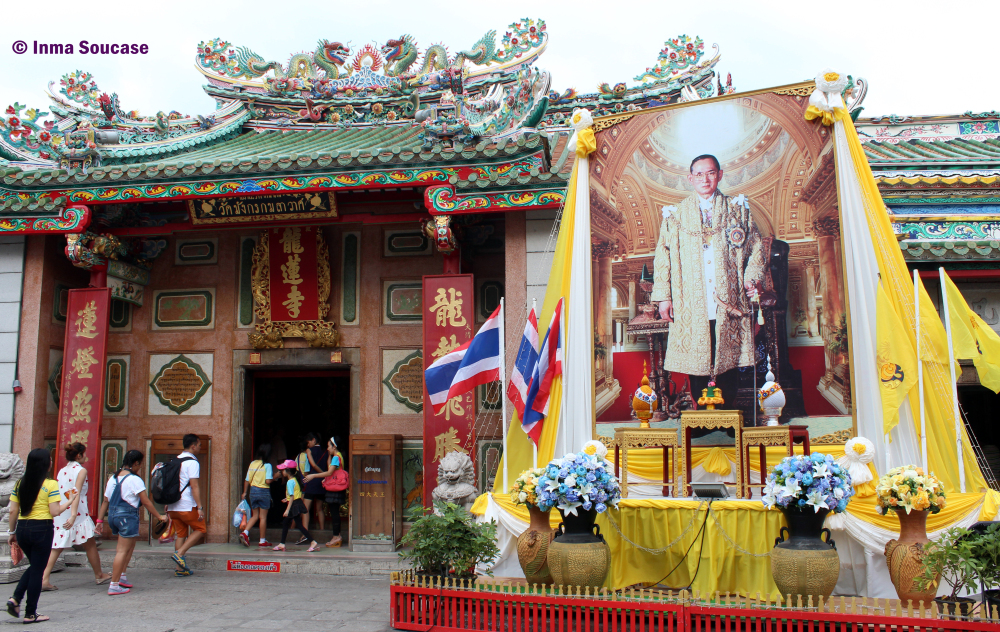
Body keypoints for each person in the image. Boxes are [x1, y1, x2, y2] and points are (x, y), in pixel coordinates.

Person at [651, 153, 765, 400]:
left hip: (729, 298)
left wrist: (751, 279)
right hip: (691, 299)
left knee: (728, 357)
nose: (705, 179)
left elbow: (755, 247)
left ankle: (729, 418)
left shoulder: (738, 210)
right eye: (699, 174)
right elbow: (663, 257)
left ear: (720, 175)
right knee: (699, 359)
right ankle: (701, 421)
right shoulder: (675, 215)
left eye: (711, 173)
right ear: (690, 178)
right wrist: (663, 297)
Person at [6, 448, 74, 623]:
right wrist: (70, 501)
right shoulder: (50, 484)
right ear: (46, 464)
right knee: (37, 570)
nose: (51, 462)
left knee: (35, 566)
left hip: (22, 528)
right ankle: (30, 613)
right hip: (42, 529)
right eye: (49, 459)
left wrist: (12, 532)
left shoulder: (19, 484)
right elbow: (55, 511)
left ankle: (16, 598)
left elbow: (13, 510)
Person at [95, 450, 167, 595]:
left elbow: (105, 501)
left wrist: (99, 520)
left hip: (113, 515)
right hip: (127, 517)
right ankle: (114, 585)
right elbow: (146, 501)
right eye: (139, 464)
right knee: (122, 550)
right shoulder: (134, 479)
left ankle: (122, 576)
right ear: (135, 463)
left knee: (130, 545)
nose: (139, 467)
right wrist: (159, 516)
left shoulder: (113, 478)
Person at [41, 442, 111, 590]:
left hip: (63, 510)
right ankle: (99, 575)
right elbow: (76, 492)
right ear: (79, 455)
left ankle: (44, 578)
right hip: (77, 511)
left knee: (57, 546)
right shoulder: (81, 470)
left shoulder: (62, 470)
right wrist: (73, 515)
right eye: (84, 453)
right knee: (90, 543)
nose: (86, 456)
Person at [166, 434, 206, 576]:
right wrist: (200, 507)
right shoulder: (193, 462)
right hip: (186, 505)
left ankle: (180, 569)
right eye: (199, 445)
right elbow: (194, 486)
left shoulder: (175, 460)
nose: (200, 448)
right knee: (201, 529)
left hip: (173, 506)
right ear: (193, 446)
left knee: (181, 535)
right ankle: (180, 553)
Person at [304, 437, 345, 547]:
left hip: (334, 488)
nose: (327, 448)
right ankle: (336, 536)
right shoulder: (339, 456)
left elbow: (328, 473)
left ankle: (336, 536)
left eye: (328, 446)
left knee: (335, 513)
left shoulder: (336, 457)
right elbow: (330, 470)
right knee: (334, 512)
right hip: (337, 486)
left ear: (334, 446)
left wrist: (313, 475)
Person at [272, 460, 319, 552]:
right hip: (296, 503)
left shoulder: (290, 482)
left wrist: (287, 509)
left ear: (287, 471)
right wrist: (287, 499)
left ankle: (312, 541)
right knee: (290, 523)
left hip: (293, 505)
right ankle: (282, 543)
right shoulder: (295, 480)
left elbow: (292, 496)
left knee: (295, 524)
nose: (281, 472)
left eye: (283, 470)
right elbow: (295, 494)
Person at [239, 444, 273, 548]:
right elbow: (267, 481)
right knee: (262, 517)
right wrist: (275, 477)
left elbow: (247, 480)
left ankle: (245, 533)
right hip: (263, 492)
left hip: (252, 491)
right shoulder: (267, 465)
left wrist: (245, 492)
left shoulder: (252, 463)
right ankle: (262, 540)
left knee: (255, 516)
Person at [302, 432, 327, 534]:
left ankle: (305, 532)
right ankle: (322, 530)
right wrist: (325, 475)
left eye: (308, 442)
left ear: (313, 440)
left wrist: (320, 473)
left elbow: (313, 464)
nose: (308, 445)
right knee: (320, 509)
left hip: (312, 480)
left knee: (306, 508)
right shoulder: (326, 451)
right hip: (322, 481)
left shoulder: (309, 450)